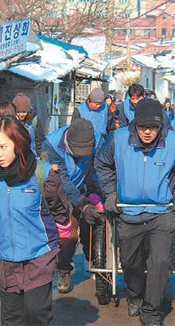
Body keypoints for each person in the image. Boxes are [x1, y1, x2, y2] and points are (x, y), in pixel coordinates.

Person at [96, 99, 175, 326]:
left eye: (153, 128)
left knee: (160, 262)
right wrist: (110, 193)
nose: (147, 132)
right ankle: (135, 293)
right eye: (143, 127)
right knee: (130, 261)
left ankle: (151, 313)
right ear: (135, 124)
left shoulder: (174, 142)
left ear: (160, 126)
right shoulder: (118, 138)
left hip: (161, 212)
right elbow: (102, 163)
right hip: (129, 212)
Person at [0, 115, 71, 325]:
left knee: (37, 314)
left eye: (3, 146)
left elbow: (60, 212)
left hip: (38, 256)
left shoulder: (42, 174)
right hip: (3, 256)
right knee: (11, 318)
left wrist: (61, 238)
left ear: (18, 144)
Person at [41, 118, 105, 293]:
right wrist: (82, 204)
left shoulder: (99, 141)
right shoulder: (51, 146)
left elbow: (98, 169)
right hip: (60, 192)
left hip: (85, 185)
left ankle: (92, 257)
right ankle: (63, 268)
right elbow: (62, 181)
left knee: (96, 219)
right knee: (68, 234)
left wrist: (96, 196)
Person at [12, 93, 44, 157]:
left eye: (24, 112)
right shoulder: (12, 120)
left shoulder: (35, 120)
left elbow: (39, 139)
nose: (21, 114)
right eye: (18, 112)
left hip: (32, 155)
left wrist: (38, 154)